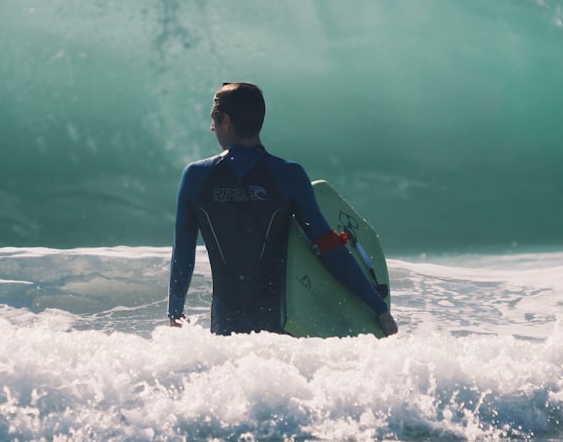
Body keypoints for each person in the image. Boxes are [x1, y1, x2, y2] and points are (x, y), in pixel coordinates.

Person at [167, 82, 399, 336]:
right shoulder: (288, 175)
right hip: (281, 330)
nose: (213, 128)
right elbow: (329, 246)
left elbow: (183, 254)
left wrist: (175, 314)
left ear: (227, 121)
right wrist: (378, 307)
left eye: (214, 120)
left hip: (225, 331)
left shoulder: (196, 176)